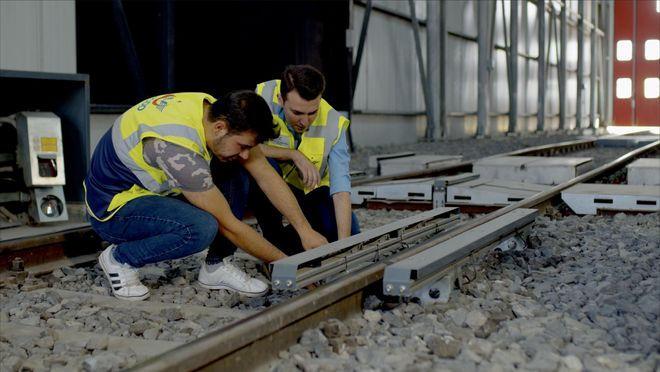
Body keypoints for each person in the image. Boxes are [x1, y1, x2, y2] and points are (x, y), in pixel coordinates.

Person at [84, 91, 328, 301]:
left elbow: (265, 175)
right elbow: (230, 227)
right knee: (200, 228)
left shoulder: (211, 110)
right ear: (220, 127)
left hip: (153, 191)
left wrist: (305, 230)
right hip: (114, 209)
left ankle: (216, 267)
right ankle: (121, 259)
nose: (245, 154)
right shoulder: (177, 150)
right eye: (242, 145)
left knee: (237, 169)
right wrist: (289, 268)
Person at [206, 65, 360, 261]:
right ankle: (261, 242)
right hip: (268, 186)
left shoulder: (334, 124)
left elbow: (340, 190)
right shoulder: (261, 99)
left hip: (308, 191)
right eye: (297, 113)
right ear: (281, 99)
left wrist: (343, 245)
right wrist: (292, 154)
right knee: (244, 165)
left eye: (312, 112)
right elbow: (243, 148)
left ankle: (289, 245)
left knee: (346, 232)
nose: (305, 121)